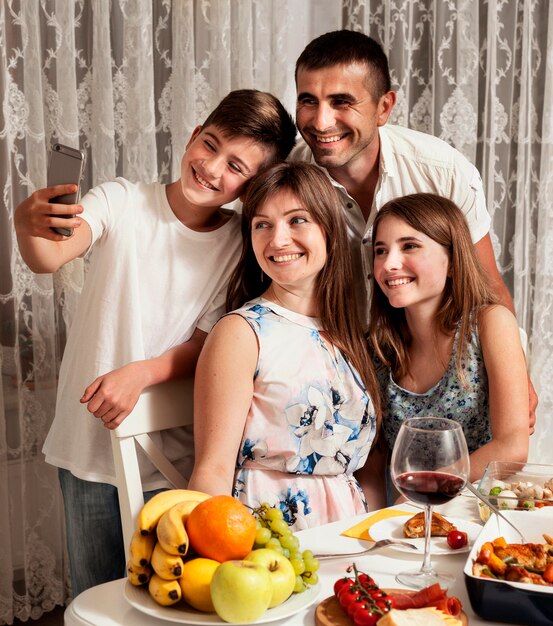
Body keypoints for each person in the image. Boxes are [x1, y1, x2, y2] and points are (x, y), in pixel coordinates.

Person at [14, 89, 296, 596]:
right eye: (209, 145)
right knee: (97, 594)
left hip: (178, 460)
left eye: (235, 167)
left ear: (251, 187)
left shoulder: (242, 241)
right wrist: (25, 222)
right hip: (90, 445)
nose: (211, 168)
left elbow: (208, 340)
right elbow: (48, 258)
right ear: (193, 135)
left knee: (168, 599)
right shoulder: (122, 201)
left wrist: (142, 372)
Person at [291, 29, 537, 428]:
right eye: (308, 101)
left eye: (341, 102)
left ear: (384, 107)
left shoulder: (443, 171)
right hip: (333, 378)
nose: (321, 121)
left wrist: (515, 376)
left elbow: (486, 287)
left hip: (430, 379)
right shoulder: (288, 177)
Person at [188, 162, 385, 529]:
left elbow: (369, 469)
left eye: (297, 220)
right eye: (262, 224)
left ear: (328, 230)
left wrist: (376, 539)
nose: (277, 240)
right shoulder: (242, 333)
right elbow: (212, 470)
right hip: (270, 535)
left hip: (352, 533)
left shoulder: (349, 334)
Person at [368, 193, 529, 484]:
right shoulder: (378, 347)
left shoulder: (490, 323)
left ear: (453, 262)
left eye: (410, 246)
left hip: (478, 509)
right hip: (405, 515)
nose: (389, 263)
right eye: (381, 251)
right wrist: (373, 524)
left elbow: (512, 448)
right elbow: (372, 465)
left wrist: (423, 490)